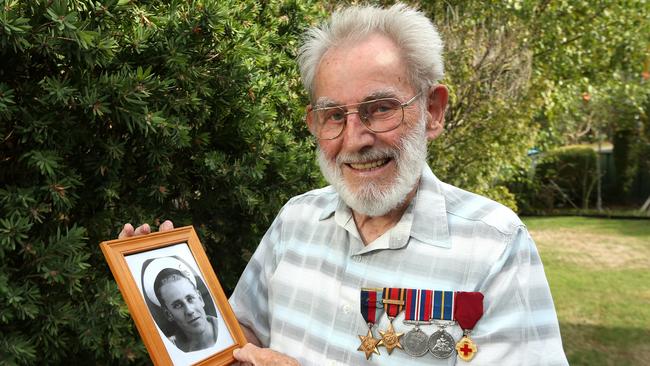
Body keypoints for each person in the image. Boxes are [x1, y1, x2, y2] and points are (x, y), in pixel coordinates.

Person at [120, 3, 568, 365]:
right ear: (315, 124)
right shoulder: (295, 220)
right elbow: (240, 337)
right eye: (334, 115)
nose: (355, 139)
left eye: (381, 108)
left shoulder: (494, 245)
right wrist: (165, 321)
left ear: (433, 109)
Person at [151, 266, 218, 352]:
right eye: (177, 305)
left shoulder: (228, 330)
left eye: (190, 299)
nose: (189, 311)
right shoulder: (170, 352)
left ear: (200, 299)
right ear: (168, 314)